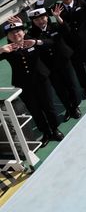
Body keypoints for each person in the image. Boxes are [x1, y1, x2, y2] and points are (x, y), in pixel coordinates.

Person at [0, 19, 64, 147]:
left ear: (23, 32)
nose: (15, 34)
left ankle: (55, 129)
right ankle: (46, 132)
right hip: (23, 85)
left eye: (18, 31)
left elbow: (51, 43)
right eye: (11, 33)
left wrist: (36, 42)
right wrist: (1, 50)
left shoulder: (32, 40)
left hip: (41, 80)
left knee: (48, 106)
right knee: (35, 110)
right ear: (7, 36)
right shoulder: (8, 49)